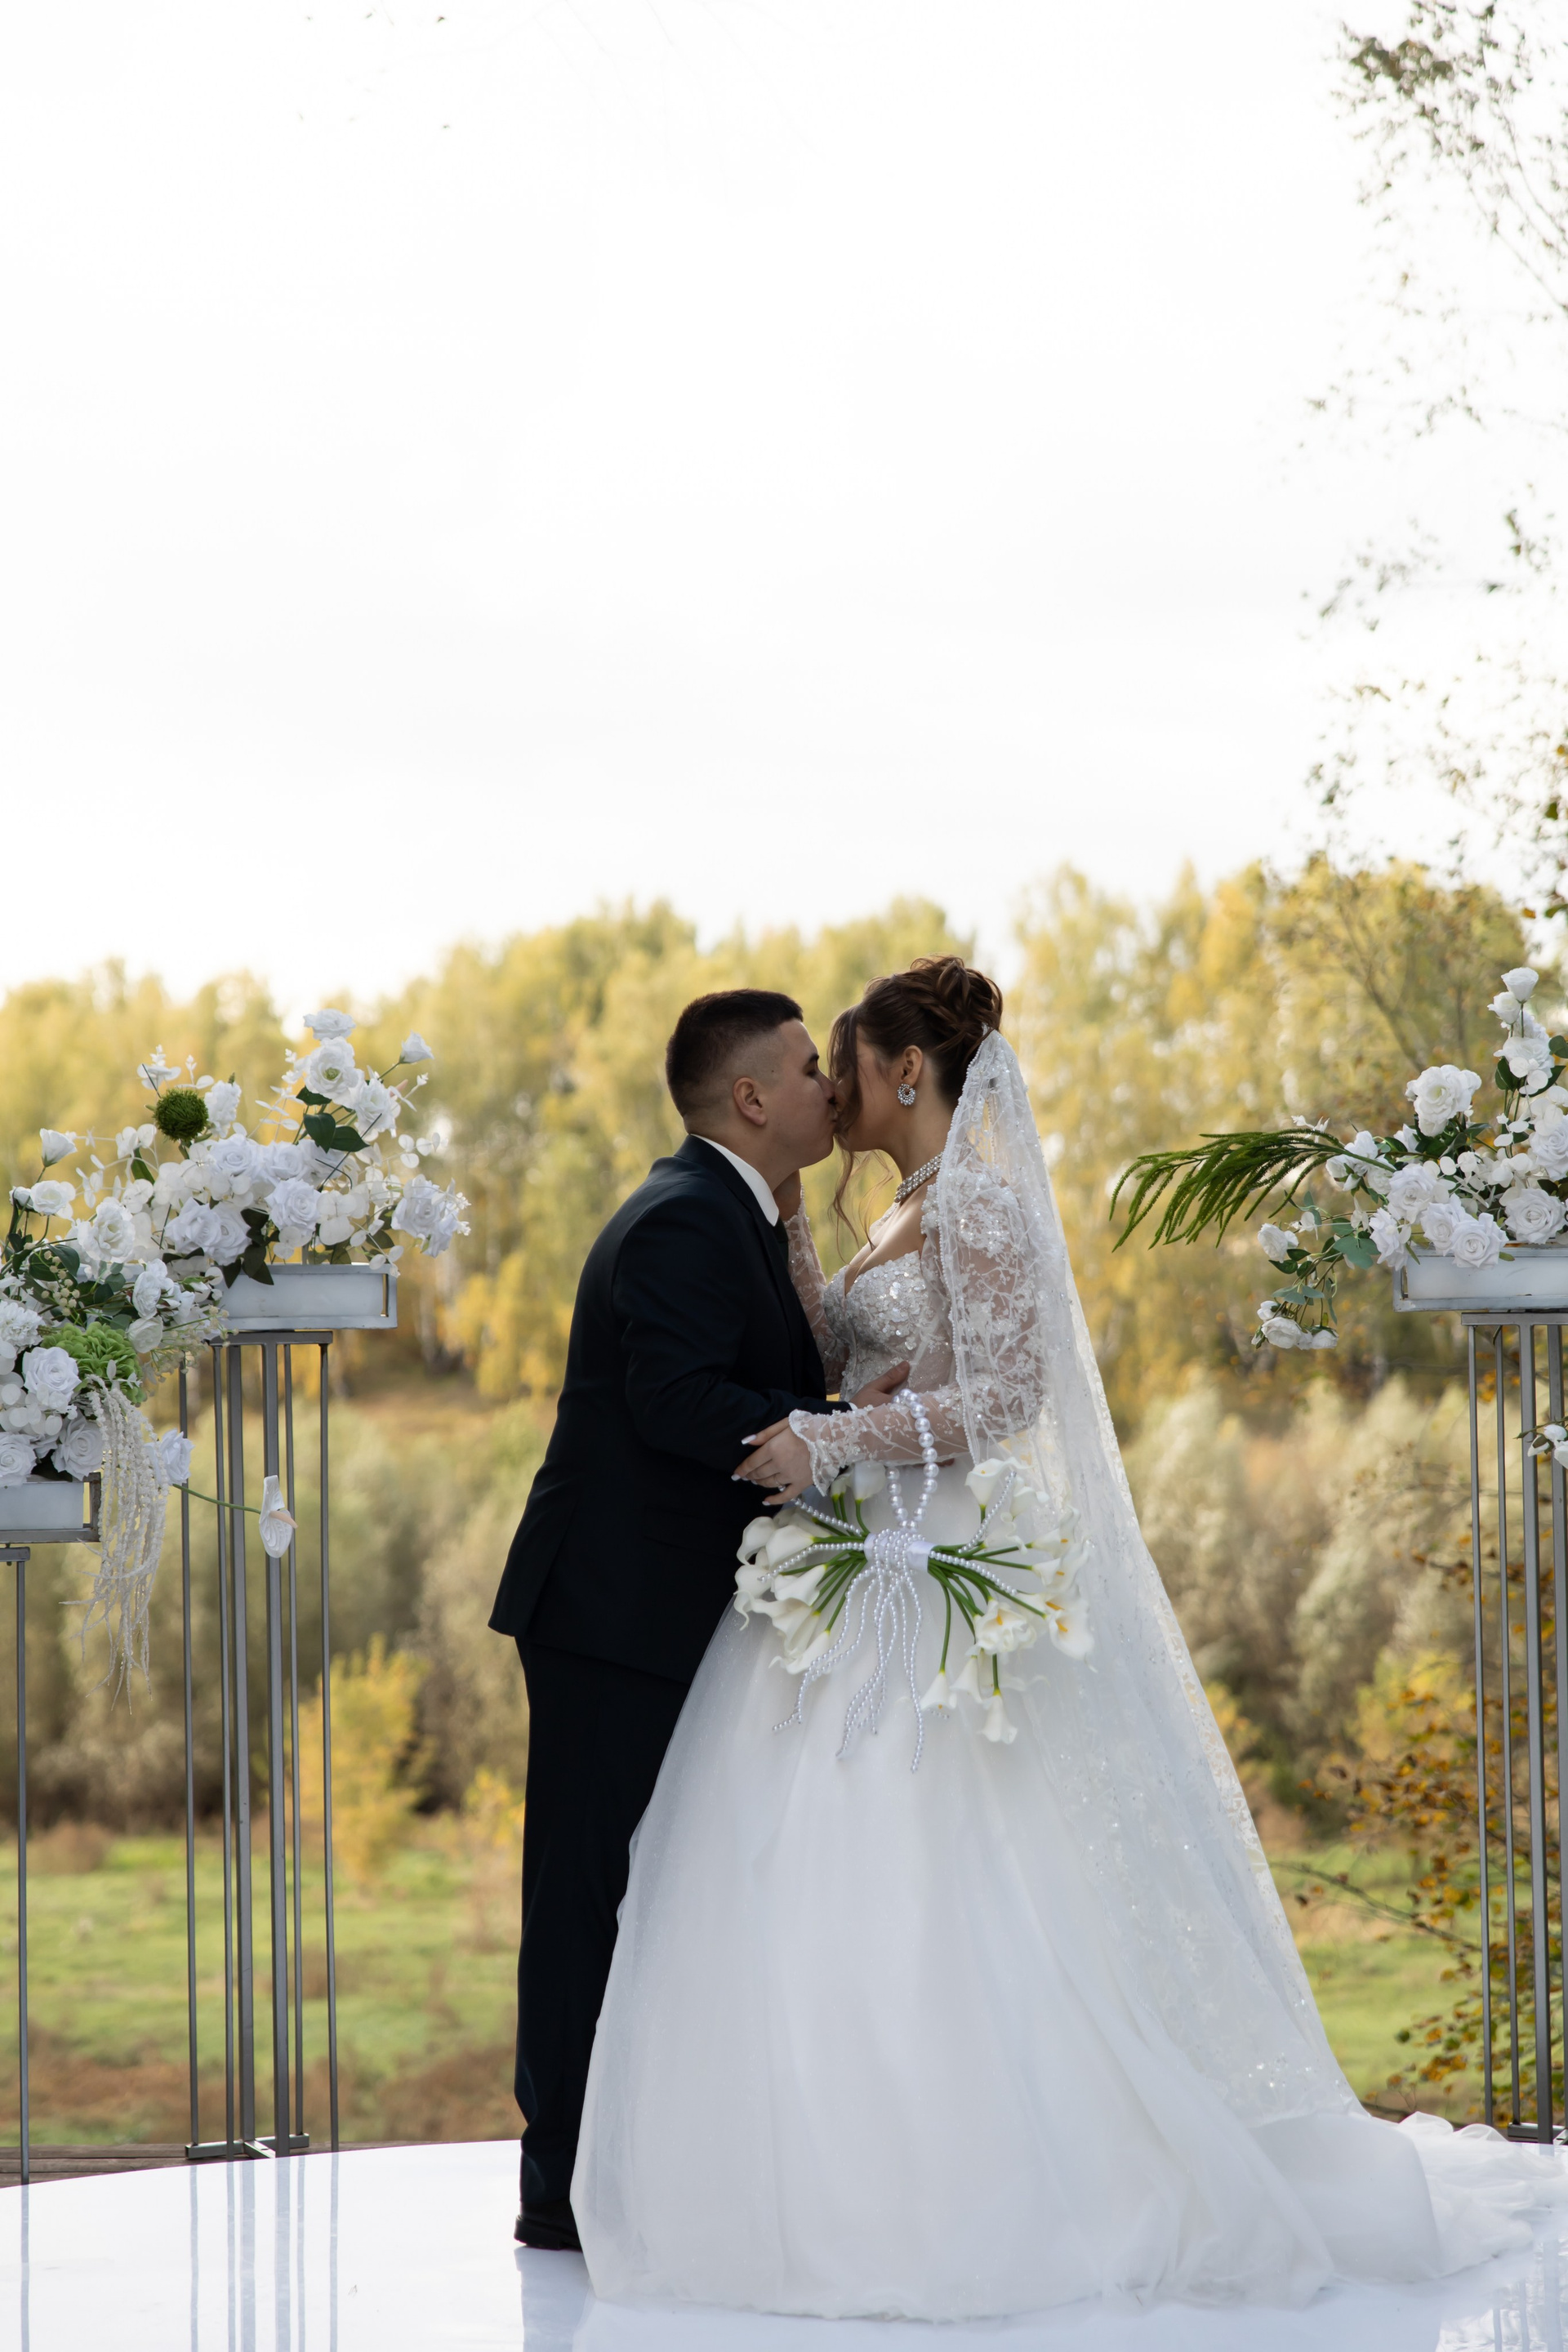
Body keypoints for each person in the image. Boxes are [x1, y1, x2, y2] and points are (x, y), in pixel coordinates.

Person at [571, 954, 1566, 2322]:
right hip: (867, 1554)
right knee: (808, 1849)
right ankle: (832, 2166)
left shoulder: (977, 1199)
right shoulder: (893, 1206)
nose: (834, 1094)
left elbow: (1005, 1396)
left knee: (961, 1852)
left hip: (939, 1550)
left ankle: (1009, 2175)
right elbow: (843, 1354)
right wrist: (805, 1255)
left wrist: (841, 1436)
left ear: (906, 1070)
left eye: (845, 1068)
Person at [489, 987, 908, 2252]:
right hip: (615, 1613)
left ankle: (635, 2164)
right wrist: (838, 1428)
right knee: (589, 1896)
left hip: (660, 1608)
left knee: (657, 1887)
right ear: (751, 1098)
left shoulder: (737, 1211)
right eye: (808, 1065)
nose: (830, 1083)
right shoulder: (684, 1217)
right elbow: (675, 1400)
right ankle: (561, 2190)